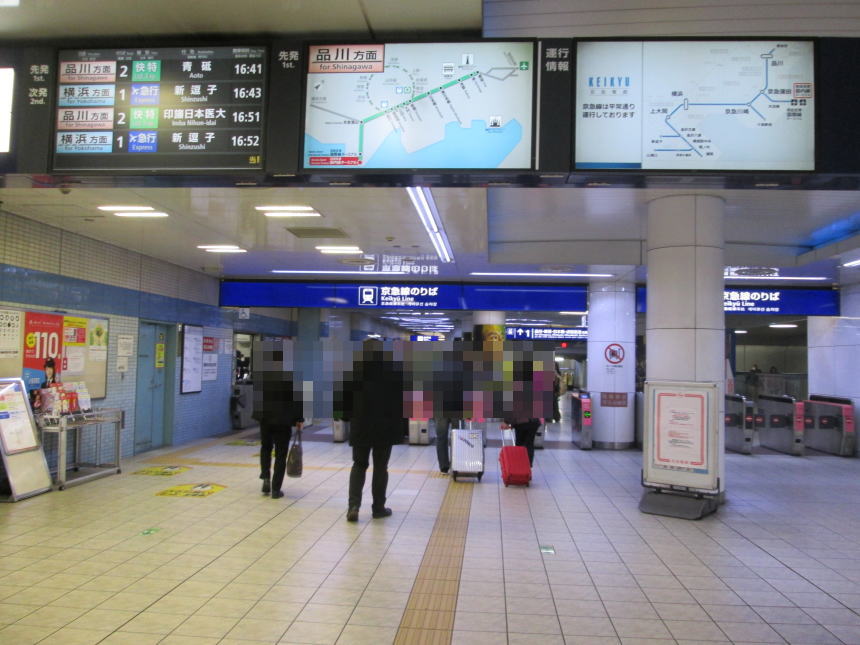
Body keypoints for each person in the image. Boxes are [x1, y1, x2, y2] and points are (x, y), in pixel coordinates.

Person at [345, 339, 405, 522]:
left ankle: (353, 506)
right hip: (384, 428)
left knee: (359, 465)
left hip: (361, 425)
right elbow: (400, 400)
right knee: (380, 467)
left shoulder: (354, 369)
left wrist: (347, 417)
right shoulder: (392, 370)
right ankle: (378, 507)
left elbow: (343, 396)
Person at [251, 340, 304, 499]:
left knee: (265, 447)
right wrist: (299, 418)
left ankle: (265, 477)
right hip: (283, 418)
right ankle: (275, 489)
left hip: (265, 417)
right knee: (281, 454)